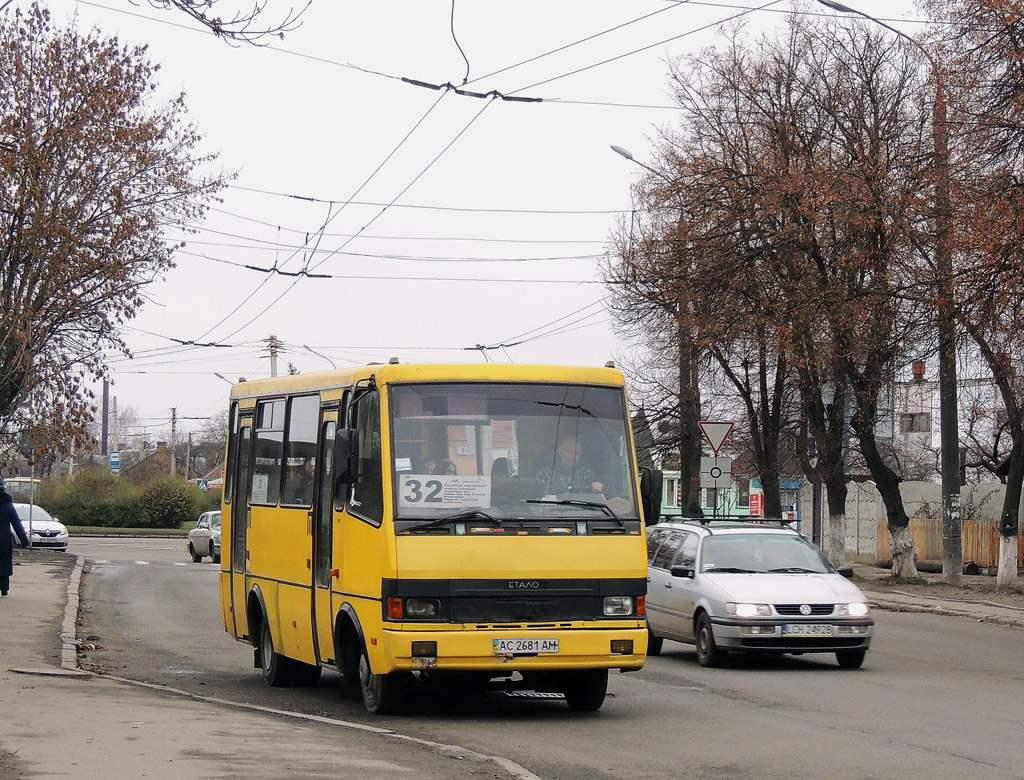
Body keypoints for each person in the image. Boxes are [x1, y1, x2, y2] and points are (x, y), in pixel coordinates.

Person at [539, 436, 604, 496]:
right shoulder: (545, 474)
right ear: (560, 452)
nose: (573, 457)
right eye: (569, 453)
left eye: (577, 453)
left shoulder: (587, 474)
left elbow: (601, 488)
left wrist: (597, 485)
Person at [1, 478, 30, 597]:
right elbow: (17, 524)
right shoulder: (8, 506)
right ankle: (4, 588)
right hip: (4, 539)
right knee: (4, 562)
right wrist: (24, 541)